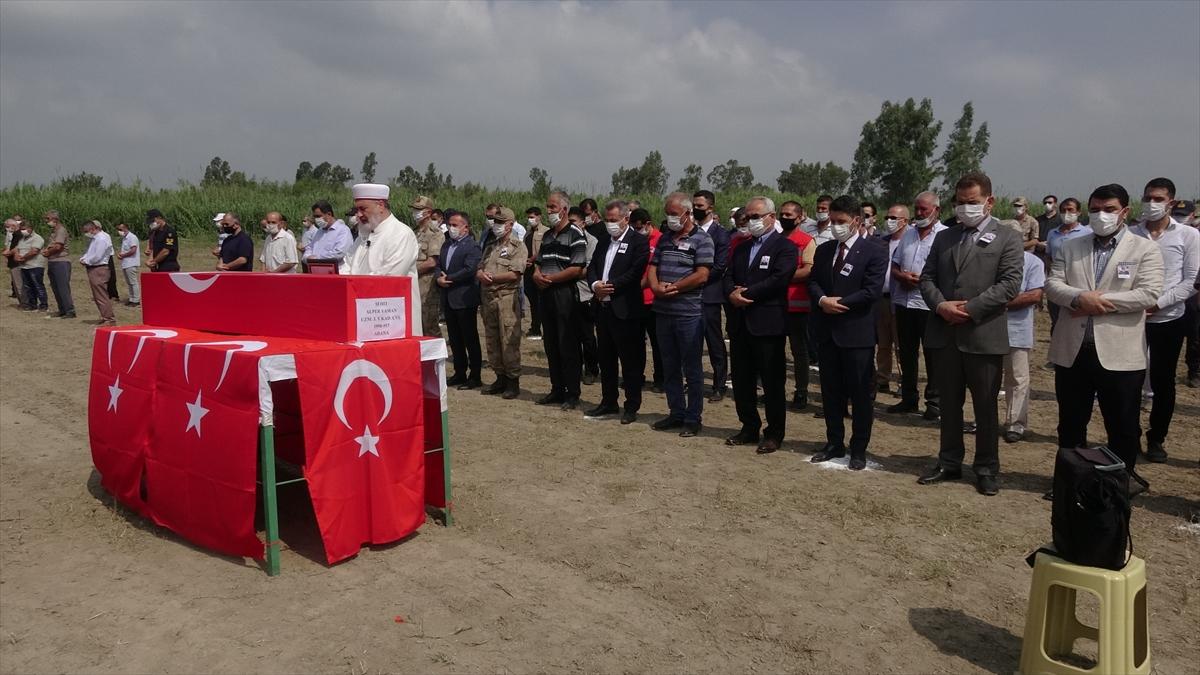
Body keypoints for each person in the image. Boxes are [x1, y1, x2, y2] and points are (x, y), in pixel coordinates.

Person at [1046, 183, 1163, 492]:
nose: (1101, 215)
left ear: (1124, 212)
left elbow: (1149, 293)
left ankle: (1117, 485)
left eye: (1109, 210)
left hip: (1120, 353)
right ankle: (1069, 483)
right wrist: (1079, 298)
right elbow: (1053, 285)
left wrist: (1098, 303)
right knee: (1071, 422)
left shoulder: (1144, 248)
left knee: (1122, 425)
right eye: (1096, 209)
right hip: (1074, 350)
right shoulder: (1072, 246)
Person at [917, 172, 1024, 497]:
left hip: (982, 333)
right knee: (949, 404)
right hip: (945, 333)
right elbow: (927, 279)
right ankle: (949, 461)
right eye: (960, 203)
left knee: (985, 408)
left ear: (989, 202)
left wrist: (970, 308)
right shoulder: (944, 237)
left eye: (972, 203)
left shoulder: (1008, 237)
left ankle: (986, 467)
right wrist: (941, 307)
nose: (965, 209)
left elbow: (1009, 284)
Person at [807, 195, 888, 470]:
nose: (835, 226)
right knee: (831, 392)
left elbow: (872, 290)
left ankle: (858, 448)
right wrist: (821, 301)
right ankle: (834, 443)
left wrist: (838, 303)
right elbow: (815, 282)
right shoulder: (825, 249)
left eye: (841, 222)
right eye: (832, 221)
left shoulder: (875, 250)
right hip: (828, 332)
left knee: (860, 394)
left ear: (856, 220)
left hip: (856, 334)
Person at [1129, 177, 1199, 463]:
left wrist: (1158, 303)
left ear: (1170, 202)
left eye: (1158, 199)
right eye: (1147, 198)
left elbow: (1191, 281)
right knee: (1128, 380)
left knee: (1163, 381)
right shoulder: (1132, 233)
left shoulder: (1188, 236)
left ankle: (1156, 437)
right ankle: (1128, 436)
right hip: (1132, 318)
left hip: (1169, 318)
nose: (1151, 204)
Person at [724, 197, 800, 454]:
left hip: (767, 324)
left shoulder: (785, 247)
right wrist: (732, 295)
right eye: (748, 217)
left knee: (772, 382)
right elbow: (728, 276)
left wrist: (747, 294)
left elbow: (780, 279)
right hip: (740, 324)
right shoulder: (742, 248)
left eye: (756, 216)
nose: (751, 221)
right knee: (742, 381)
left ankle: (774, 433)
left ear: (771, 217)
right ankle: (748, 426)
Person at [647, 192, 714, 438]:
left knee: (692, 367)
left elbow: (702, 274)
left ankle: (693, 417)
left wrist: (676, 287)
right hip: (663, 311)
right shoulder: (665, 239)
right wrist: (655, 288)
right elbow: (653, 267)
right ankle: (676, 412)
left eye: (674, 214)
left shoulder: (703, 240)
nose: (670, 218)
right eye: (668, 214)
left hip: (688, 313)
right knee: (669, 365)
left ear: (687, 213)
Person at [586, 200, 650, 423]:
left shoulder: (639, 242)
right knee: (606, 358)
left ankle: (631, 405)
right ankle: (608, 401)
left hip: (626, 309)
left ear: (625, 219)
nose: (610, 224)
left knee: (630, 361)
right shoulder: (603, 241)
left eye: (614, 220)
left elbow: (635, 273)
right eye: (607, 220)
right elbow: (592, 267)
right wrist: (595, 286)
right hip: (603, 308)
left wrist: (609, 286)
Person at [889, 191, 947, 419]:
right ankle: (909, 398)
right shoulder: (909, 234)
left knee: (932, 354)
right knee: (907, 353)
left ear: (937, 210)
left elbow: (948, 272)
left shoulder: (945, 236)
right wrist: (901, 277)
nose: (920, 213)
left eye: (925, 209)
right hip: (904, 303)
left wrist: (923, 282)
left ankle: (934, 402)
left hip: (929, 305)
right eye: (918, 208)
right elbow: (894, 266)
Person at [533, 191, 588, 410]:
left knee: (568, 344)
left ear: (564, 210)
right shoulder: (547, 236)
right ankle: (557, 388)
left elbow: (577, 268)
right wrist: (537, 274)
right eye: (548, 207)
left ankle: (572, 392)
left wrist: (552, 279)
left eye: (553, 207)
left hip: (564, 292)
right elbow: (538, 261)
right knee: (551, 343)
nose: (549, 211)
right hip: (545, 293)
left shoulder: (575, 234)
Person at [341, 184, 422, 327]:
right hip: (363, 315)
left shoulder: (401, 234)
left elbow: (389, 278)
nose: (358, 215)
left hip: (391, 319)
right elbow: (345, 267)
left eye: (363, 209)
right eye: (357, 210)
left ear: (380, 205)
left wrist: (352, 288)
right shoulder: (362, 236)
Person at [477, 207, 526, 399]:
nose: (496, 226)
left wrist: (494, 278)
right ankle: (500, 377)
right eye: (494, 222)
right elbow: (480, 267)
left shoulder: (518, 246)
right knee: (492, 339)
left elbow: (516, 273)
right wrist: (481, 274)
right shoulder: (491, 246)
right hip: (488, 299)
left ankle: (513, 382)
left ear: (510, 224)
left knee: (508, 341)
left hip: (506, 299)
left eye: (500, 222)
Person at [690, 191, 730, 402]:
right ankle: (694, 382)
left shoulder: (720, 234)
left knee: (714, 342)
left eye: (699, 205)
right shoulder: (689, 232)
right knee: (691, 342)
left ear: (710, 208)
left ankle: (719, 384)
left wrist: (695, 279)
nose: (696, 208)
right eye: (694, 204)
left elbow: (720, 266)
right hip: (688, 295)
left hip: (709, 295)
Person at [1002, 250, 1045, 442]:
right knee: (985, 377)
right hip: (987, 327)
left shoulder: (1032, 262)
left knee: (1017, 377)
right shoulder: (990, 257)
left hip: (1017, 329)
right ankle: (983, 419)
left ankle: (1015, 423)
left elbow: (1034, 295)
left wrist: (993, 302)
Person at [437, 212, 483, 389]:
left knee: (469, 338)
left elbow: (470, 268)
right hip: (448, 298)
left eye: (455, 225)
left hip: (464, 298)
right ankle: (459, 372)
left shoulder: (472, 246)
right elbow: (439, 265)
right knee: (455, 338)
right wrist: (438, 278)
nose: (451, 228)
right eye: (450, 224)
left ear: (466, 227)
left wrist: (449, 278)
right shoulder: (446, 244)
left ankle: (475, 375)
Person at [779, 201, 816, 410]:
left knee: (799, 351)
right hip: (775, 304)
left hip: (798, 305)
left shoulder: (806, 241)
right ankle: (775, 389)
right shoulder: (774, 240)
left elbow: (808, 270)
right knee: (775, 351)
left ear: (800, 217)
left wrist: (779, 277)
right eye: (782, 214)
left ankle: (801, 391)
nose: (785, 218)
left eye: (789, 215)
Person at [874, 205, 909, 394]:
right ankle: (882, 377)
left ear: (905, 221)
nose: (889, 221)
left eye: (894, 218)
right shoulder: (881, 241)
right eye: (888, 217)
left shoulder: (910, 241)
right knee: (883, 342)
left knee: (901, 343)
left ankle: (905, 380)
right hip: (881, 298)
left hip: (900, 299)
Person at [1044, 198, 1092, 334]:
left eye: (1070, 209)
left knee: (1075, 318)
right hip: (1057, 281)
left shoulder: (1087, 233)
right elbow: (1048, 255)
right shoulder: (1052, 233)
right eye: (1063, 210)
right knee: (1056, 319)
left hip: (1077, 283)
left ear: (1079, 212)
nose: (1066, 213)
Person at [632, 208, 664, 393]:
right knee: (636, 343)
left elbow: (656, 270)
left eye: (639, 227)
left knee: (658, 343)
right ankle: (638, 377)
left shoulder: (660, 240)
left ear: (648, 224)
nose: (638, 231)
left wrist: (641, 286)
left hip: (653, 300)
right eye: (634, 228)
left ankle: (660, 379)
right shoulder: (635, 241)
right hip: (636, 300)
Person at [571, 207, 601, 386]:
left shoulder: (592, 241)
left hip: (585, 294)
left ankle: (591, 368)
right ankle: (576, 367)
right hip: (567, 294)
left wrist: (566, 272)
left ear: (582, 223)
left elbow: (587, 270)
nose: (571, 226)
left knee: (587, 336)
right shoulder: (566, 239)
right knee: (571, 336)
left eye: (574, 222)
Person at [410, 195, 445, 337]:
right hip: (413, 285)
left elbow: (432, 262)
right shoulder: (414, 232)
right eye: (414, 209)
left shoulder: (435, 234)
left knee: (429, 325)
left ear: (428, 212)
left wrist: (411, 271)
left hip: (427, 286)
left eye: (419, 209)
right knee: (416, 325)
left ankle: (437, 359)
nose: (415, 212)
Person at [78, 220, 116, 325]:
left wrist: (86, 261)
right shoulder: (96, 239)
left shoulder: (102, 239)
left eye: (87, 231)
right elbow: (90, 252)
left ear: (92, 229)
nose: (86, 233)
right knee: (98, 295)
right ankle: (105, 316)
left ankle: (109, 318)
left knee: (101, 295)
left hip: (99, 268)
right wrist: (84, 258)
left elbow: (97, 256)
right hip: (94, 267)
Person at [42, 211, 75, 319]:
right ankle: (62, 310)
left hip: (61, 261)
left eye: (47, 219)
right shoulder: (53, 231)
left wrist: (47, 252)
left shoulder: (61, 230)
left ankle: (69, 310)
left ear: (54, 219)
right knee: (55, 287)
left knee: (62, 287)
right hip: (53, 261)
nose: (46, 221)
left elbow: (58, 247)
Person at [523, 207, 548, 338]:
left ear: (539, 217)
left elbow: (544, 250)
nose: (530, 219)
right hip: (528, 270)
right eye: (529, 217)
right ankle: (535, 327)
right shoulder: (527, 233)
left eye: (532, 217)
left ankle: (545, 328)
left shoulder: (546, 232)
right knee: (532, 301)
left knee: (541, 301)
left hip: (539, 270)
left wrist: (533, 259)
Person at [14, 220, 47, 312]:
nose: (22, 231)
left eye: (24, 229)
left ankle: (43, 305)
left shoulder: (37, 238)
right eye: (21, 229)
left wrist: (23, 258)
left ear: (30, 229)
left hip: (35, 265)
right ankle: (32, 305)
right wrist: (17, 256)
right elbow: (16, 248)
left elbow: (34, 251)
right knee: (28, 286)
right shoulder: (22, 239)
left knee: (37, 285)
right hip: (24, 266)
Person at [307, 200, 353, 265]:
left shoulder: (343, 230)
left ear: (329, 214)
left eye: (318, 216)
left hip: (334, 272)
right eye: (315, 216)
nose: (316, 219)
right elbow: (310, 248)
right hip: (317, 271)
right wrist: (307, 257)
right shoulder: (319, 231)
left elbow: (340, 253)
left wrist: (317, 259)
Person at [144, 208, 180, 272]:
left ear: (159, 218)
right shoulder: (155, 233)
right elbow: (154, 249)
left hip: (169, 267)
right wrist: (150, 261)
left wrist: (154, 261)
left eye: (153, 221)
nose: (151, 224)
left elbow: (166, 251)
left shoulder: (169, 232)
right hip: (158, 267)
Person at [114, 222, 141, 306]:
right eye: (118, 230)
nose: (119, 231)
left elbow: (133, 250)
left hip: (131, 263)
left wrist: (123, 255)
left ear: (126, 228)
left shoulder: (132, 237)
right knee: (129, 282)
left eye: (121, 229)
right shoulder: (125, 238)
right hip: (126, 263)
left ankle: (136, 300)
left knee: (133, 282)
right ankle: (131, 298)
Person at [3, 217, 24, 301]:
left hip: (17, 262)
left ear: (13, 225)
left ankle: (24, 303)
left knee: (19, 284)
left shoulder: (18, 235)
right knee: (16, 284)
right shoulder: (15, 234)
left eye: (7, 226)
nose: (7, 228)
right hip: (13, 261)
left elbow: (17, 248)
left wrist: (9, 253)